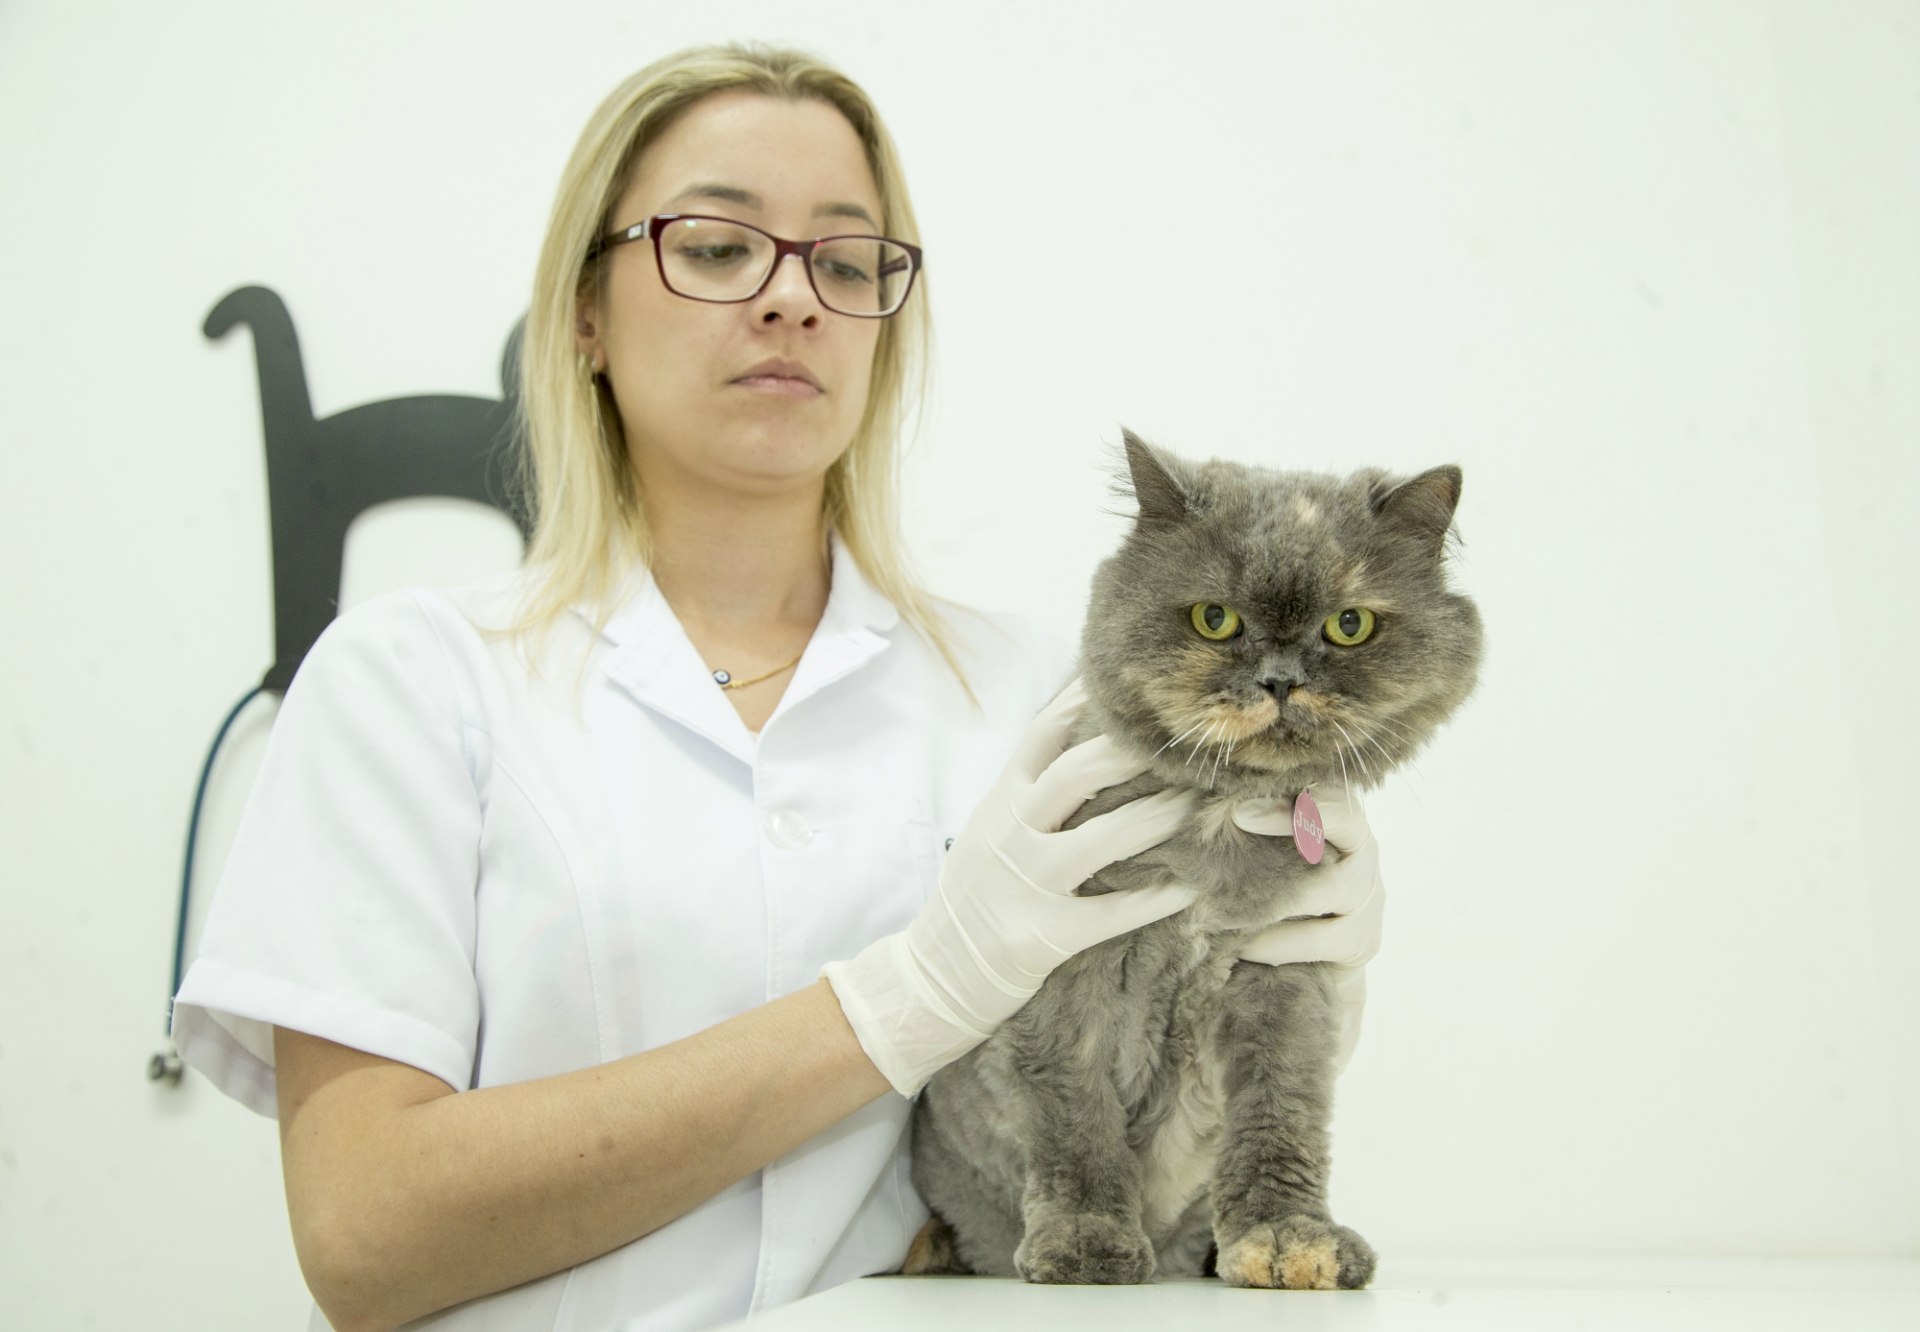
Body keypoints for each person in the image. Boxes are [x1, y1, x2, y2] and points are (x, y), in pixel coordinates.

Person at [172, 43, 1384, 1332]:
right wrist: (906, 1002)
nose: (794, 299)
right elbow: (366, 1236)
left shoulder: (1038, 696)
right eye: (715, 246)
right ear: (584, 313)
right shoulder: (411, 679)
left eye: (847, 263)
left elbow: (1141, 1135)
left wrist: (1293, 959)